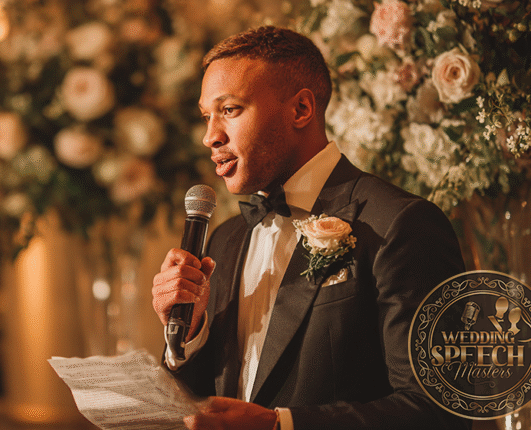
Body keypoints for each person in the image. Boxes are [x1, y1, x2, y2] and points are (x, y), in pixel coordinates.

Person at [151, 26, 470, 430]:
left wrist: (279, 425)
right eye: (206, 116)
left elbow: (436, 412)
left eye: (229, 110)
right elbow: (206, 404)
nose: (209, 136)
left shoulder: (400, 224)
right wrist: (188, 335)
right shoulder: (225, 239)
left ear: (301, 110)